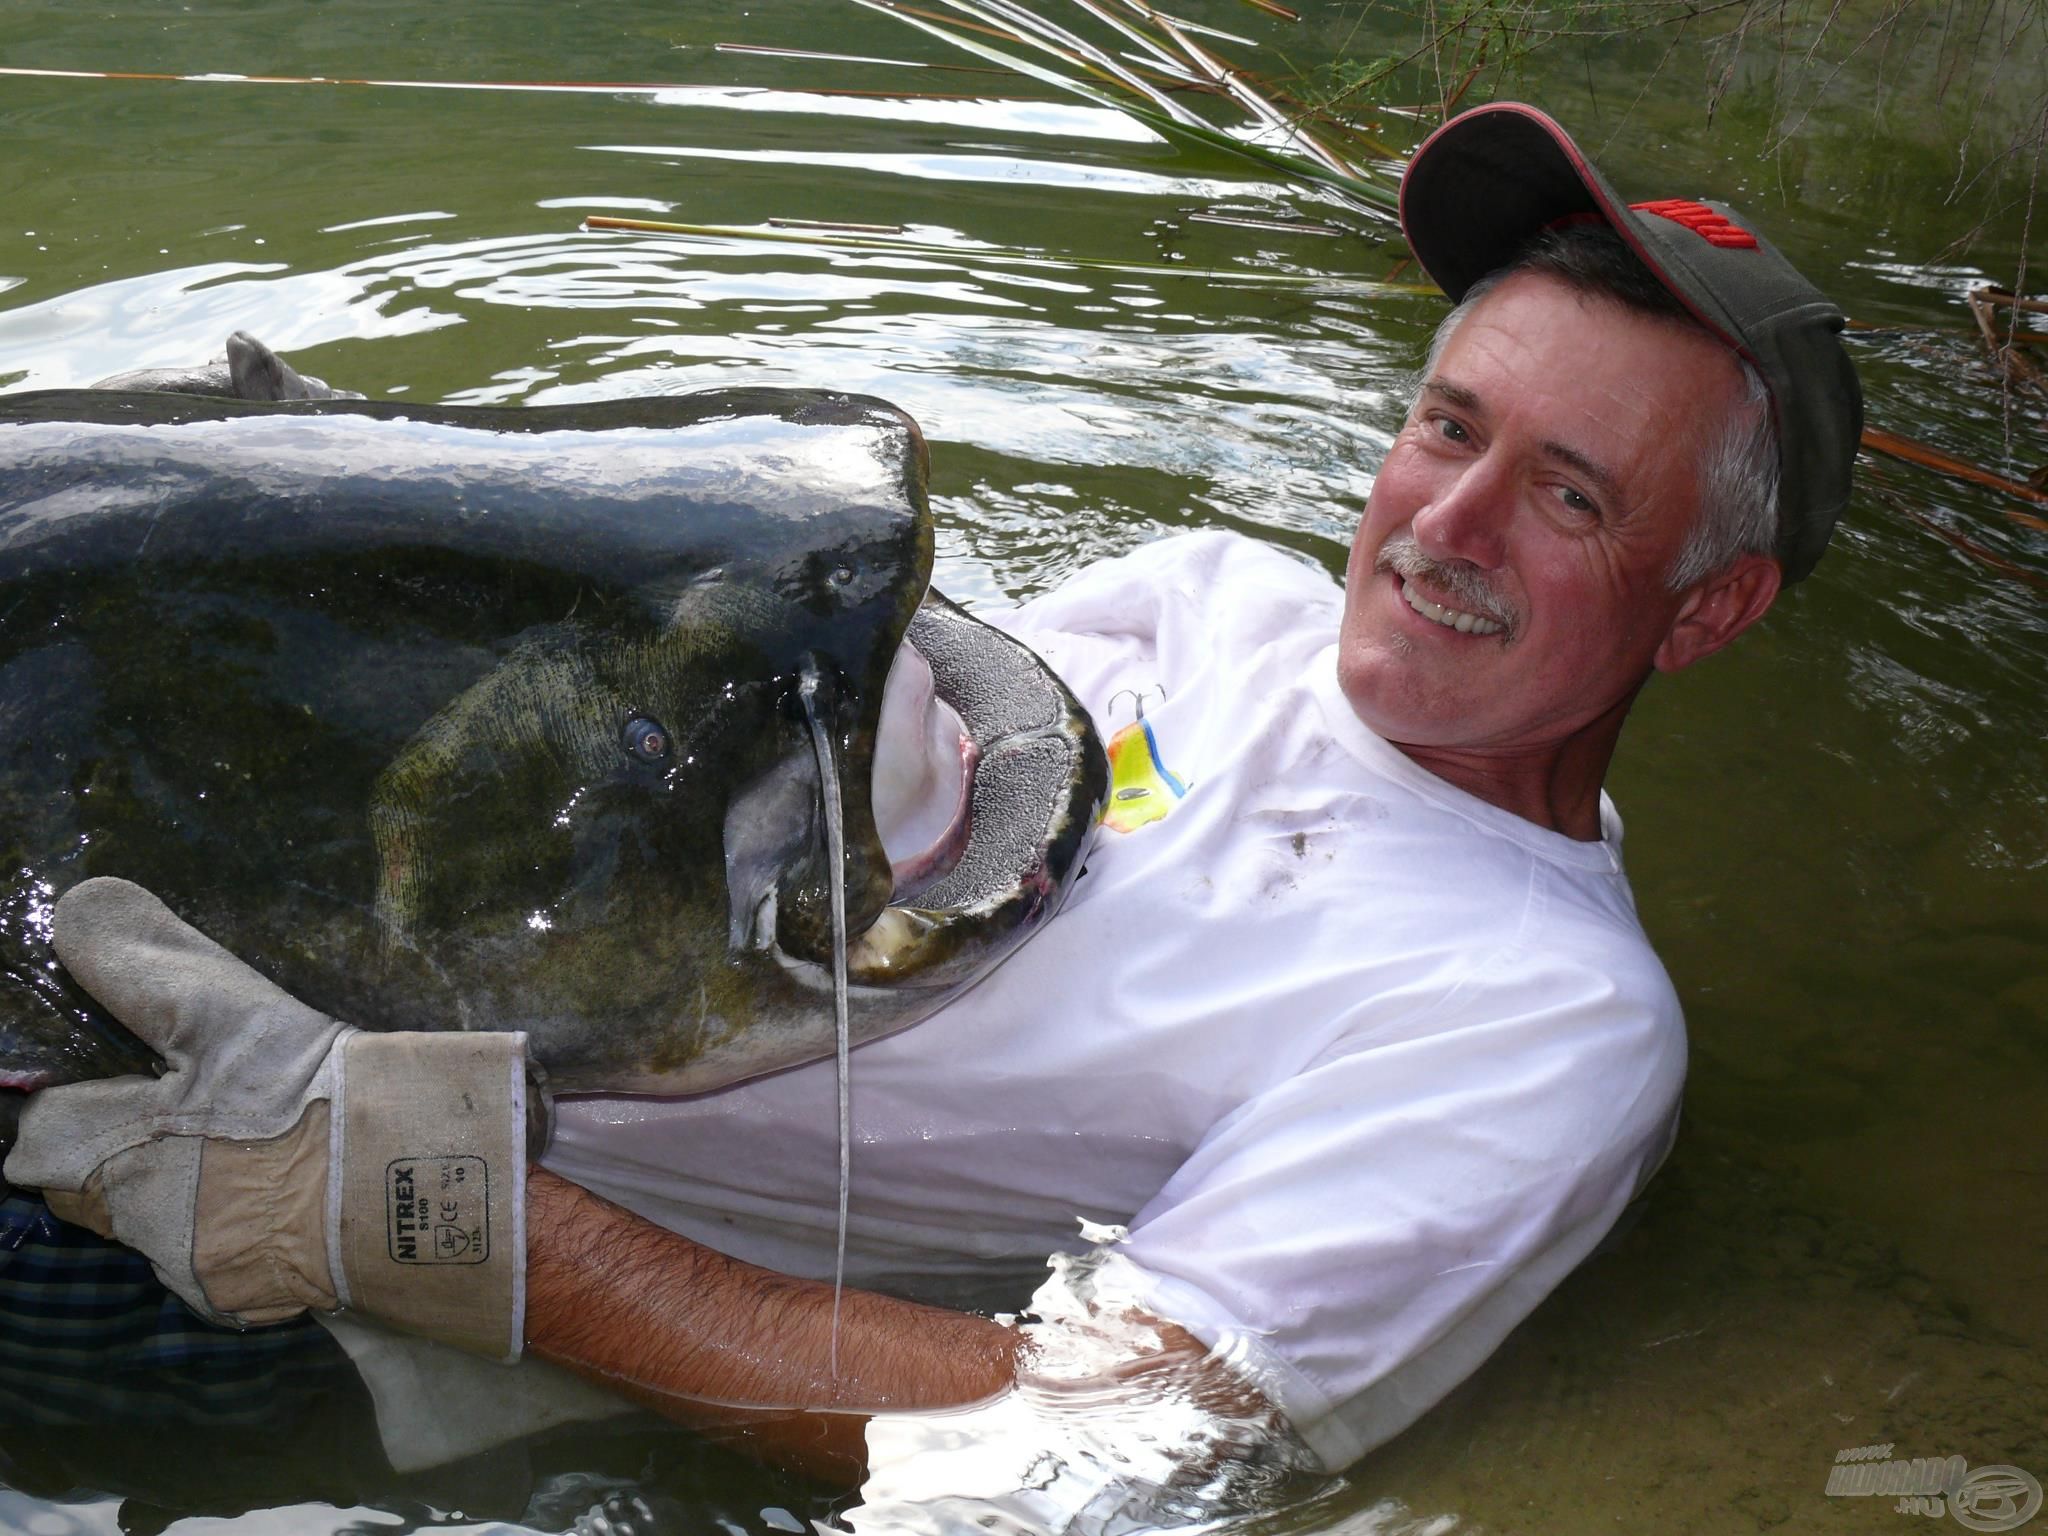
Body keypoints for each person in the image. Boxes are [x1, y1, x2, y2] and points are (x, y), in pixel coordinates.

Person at [2, 101, 1861, 1521]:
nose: (1443, 531)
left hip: (343, 1297)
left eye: (1572, 497)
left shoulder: (1538, 1020)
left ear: (1705, 608)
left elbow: (1110, 1453)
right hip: (246, 1016)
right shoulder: (1214, 596)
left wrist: (404, 1204)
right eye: (1451, 428)